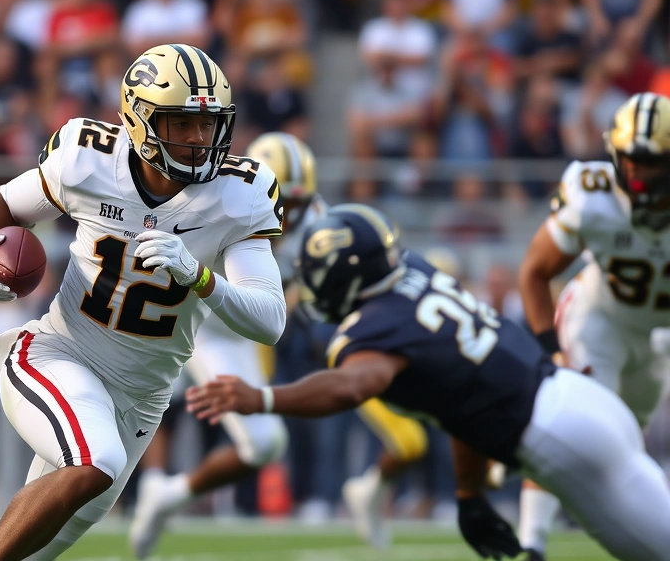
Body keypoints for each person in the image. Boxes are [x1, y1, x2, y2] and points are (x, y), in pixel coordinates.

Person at [0, 44, 287, 561]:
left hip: (143, 397)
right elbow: (6, 205)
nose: (200, 139)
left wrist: (199, 277)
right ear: (139, 119)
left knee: (33, 547)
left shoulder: (240, 194)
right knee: (94, 461)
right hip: (61, 354)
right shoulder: (89, 160)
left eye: (208, 123)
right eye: (181, 123)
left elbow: (269, 321)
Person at [186, 204, 670, 561]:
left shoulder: (375, 331)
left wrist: (262, 398)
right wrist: (469, 494)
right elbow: (461, 401)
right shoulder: (416, 272)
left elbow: (352, 387)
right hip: (581, 405)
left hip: (560, 439)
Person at [129, 132, 307, 557]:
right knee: (149, 399)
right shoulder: (224, 205)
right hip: (192, 323)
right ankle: (150, 482)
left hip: (236, 337)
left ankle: (169, 494)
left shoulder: (312, 231)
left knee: (266, 444)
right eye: (281, 199)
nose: (286, 213)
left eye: (295, 202)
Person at [516, 91, 670, 561]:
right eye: (630, 159)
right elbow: (534, 272)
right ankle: (531, 543)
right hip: (599, 318)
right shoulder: (592, 196)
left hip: (658, 335)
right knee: (576, 427)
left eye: (651, 162)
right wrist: (550, 350)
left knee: (626, 443)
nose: (638, 173)